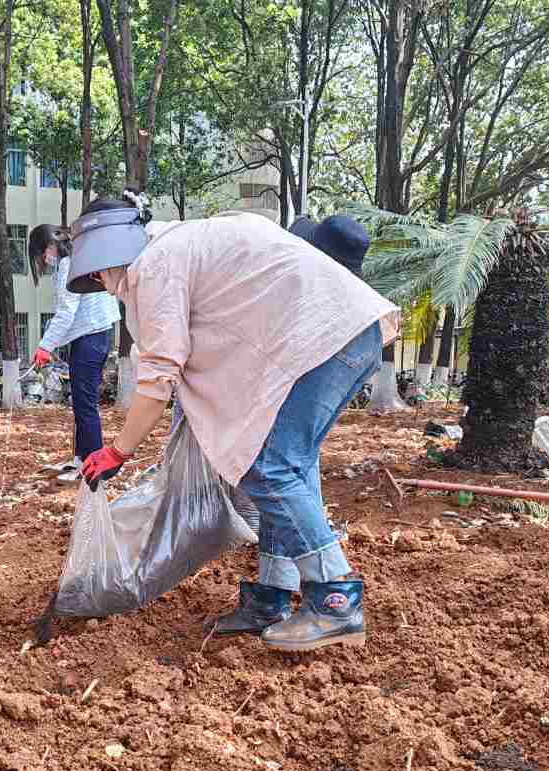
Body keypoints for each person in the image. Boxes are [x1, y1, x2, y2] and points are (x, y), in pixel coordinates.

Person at [72, 193, 399, 653]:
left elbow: (160, 376)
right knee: (291, 468)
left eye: (103, 273)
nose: (106, 287)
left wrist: (118, 451)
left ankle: (334, 600)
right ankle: (272, 596)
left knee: (270, 467)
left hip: (325, 343)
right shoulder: (182, 244)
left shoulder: (156, 263)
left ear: (115, 249)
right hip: (341, 338)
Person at [28, 223, 121, 483]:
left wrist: (46, 346)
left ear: (48, 245)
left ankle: (93, 466)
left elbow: (66, 311)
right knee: (80, 403)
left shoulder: (71, 263)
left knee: (85, 405)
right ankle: (81, 459)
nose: (44, 258)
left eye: (42, 252)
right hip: (89, 336)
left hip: (91, 337)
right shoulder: (77, 258)